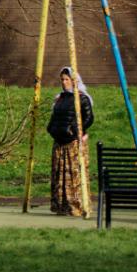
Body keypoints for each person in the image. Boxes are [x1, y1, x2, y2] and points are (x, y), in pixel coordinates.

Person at [46, 65, 94, 218]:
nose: (64, 82)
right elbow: (54, 117)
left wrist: (75, 131)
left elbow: (88, 118)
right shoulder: (59, 99)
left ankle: (76, 206)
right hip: (59, 141)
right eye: (62, 79)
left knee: (74, 175)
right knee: (60, 175)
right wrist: (51, 129)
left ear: (74, 81)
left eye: (67, 79)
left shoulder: (82, 98)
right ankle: (61, 205)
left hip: (73, 142)